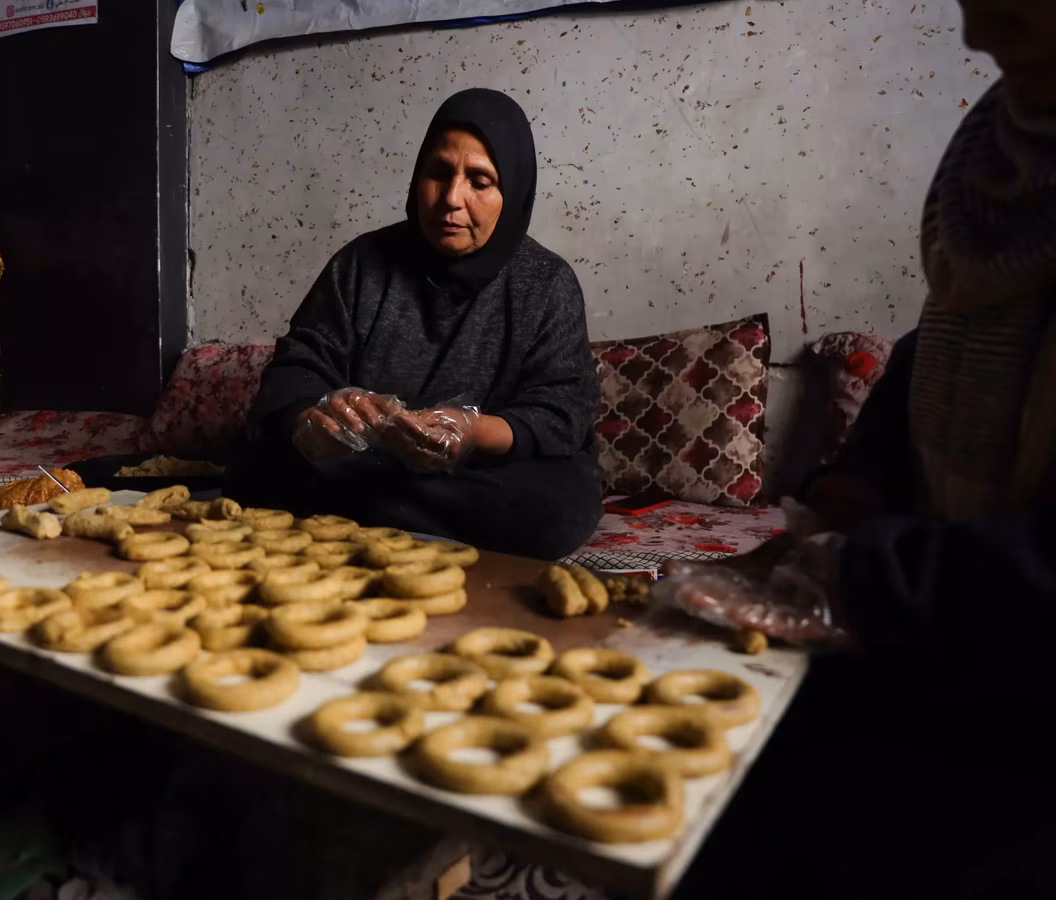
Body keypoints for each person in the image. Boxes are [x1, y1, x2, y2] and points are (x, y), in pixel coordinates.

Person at [665, 2, 1056, 897]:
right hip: (946, 631)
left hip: (1027, 683)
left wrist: (867, 578)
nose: (977, 34)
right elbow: (946, 350)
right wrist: (851, 490)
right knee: (724, 774)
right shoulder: (1002, 173)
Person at [226, 89, 603, 559]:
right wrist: (318, 416)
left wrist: (469, 431)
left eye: (480, 181)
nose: (451, 199)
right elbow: (299, 366)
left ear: (513, 192)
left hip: (483, 474)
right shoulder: (361, 265)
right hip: (365, 462)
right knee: (259, 462)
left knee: (554, 504)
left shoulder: (546, 283)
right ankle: (389, 513)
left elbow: (562, 410)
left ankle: (370, 516)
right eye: (439, 173)